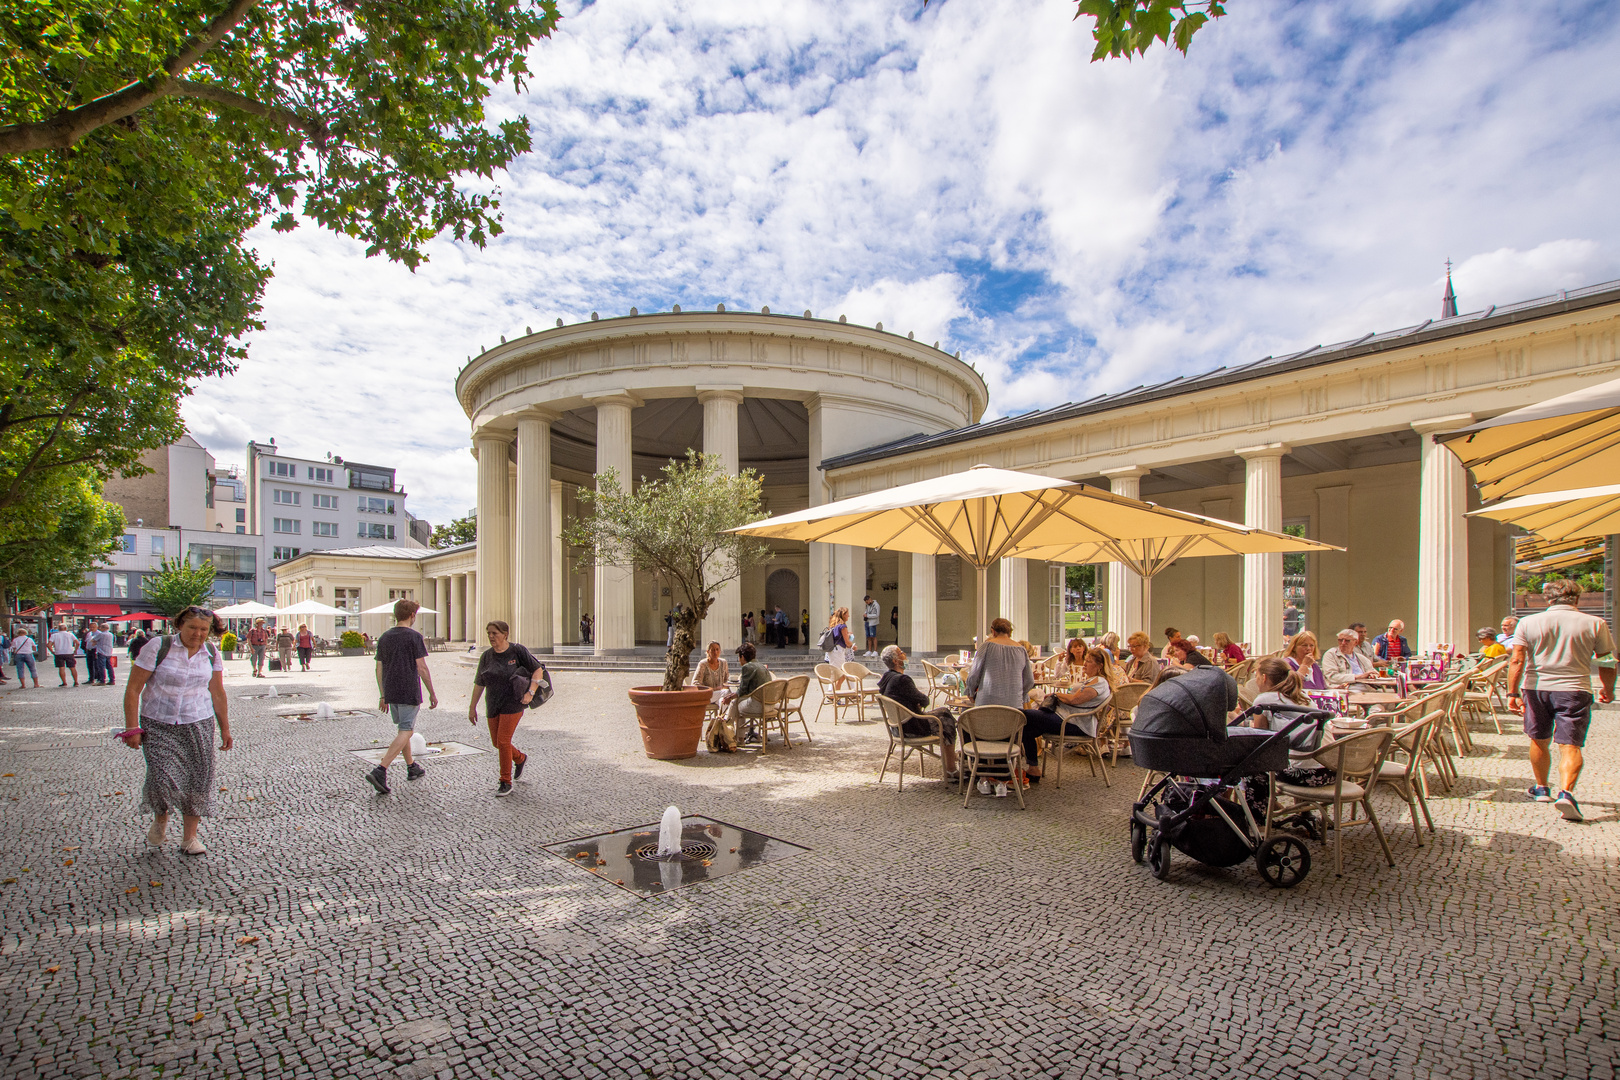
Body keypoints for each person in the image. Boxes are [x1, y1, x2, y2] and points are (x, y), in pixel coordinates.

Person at [122, 606, 232, 856]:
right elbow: (133, 689)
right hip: (158, 721)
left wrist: (225, 728)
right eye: (192, 627)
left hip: (198, 721)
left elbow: (217, 692)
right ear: (180, 625)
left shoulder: (211, 652)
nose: (198, 633)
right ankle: (161, 818)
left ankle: (190, 838)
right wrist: (131, 728)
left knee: (198, 779)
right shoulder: (159, 647)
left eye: (204, 629)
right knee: (162, 777)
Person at [1508, 578, 1616, 821]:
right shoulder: (1595, 623)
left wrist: (1512, 693)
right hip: (1575, 688)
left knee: (1538, 739)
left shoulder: (1528, 622)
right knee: (1570, 745)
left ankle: (1541, 788)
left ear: (1548, 598)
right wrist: (1609, 688)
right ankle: (1565, 792)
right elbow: (1607, 660)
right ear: (1576, 598)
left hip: (1536, 687)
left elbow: (1517, 660)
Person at [365, 599, 441, 795]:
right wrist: (432, 692)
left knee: (403, 728)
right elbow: (421, 667)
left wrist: (383, 694)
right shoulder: (414, 637)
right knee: (406, 730)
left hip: (391, 689)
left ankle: (411, 767)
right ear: (412, 616)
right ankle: (381, 769)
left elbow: (378, 667)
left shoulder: (384, 637)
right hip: (408, 688)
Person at [468, 621, 544, 797]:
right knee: (497, 743)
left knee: (503, 741)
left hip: (513, 702)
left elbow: (537, 670)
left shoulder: (517, 651)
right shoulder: (486, 656)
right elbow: (479, 683)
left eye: (495, 633)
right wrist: (472, 707)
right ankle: (520, 758)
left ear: (505, 634)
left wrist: (531, 693)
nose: (491, 636)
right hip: (493, 703)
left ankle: (505, 781)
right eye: (489, 633)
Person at [1021, 646, 1119, 782]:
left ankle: (1003, 757)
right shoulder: (1092, 680)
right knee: (1026, 727)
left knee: (1023, 715)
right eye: (1086, 660)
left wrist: (1056, 694)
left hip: (1075, 723)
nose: (1084, 664)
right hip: (1066, 718)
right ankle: (1033, 768)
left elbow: (1075, 700)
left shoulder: (1100, 682)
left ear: (1099, 666)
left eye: (1089, 661)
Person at [877, 644, 959, 777]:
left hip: (897, 727)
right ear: (895, 661)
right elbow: (924, 700)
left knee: (944, 713)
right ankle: (951, 768)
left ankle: (953, 758)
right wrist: (920, 701)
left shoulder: (886, 679)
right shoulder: (902, 680)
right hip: (912, 727)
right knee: (946, 718)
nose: (904, 654)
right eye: (901, 653)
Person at [966, 618, 1034, 709]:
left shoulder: (986, 646)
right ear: (1010, 632)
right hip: (1014, 705)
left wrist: (970, 691)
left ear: (993, 631)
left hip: (987, 702)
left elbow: (974, 674)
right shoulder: (1021, 650)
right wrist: (1020, 694)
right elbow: (1029, 680)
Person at [719, 642, 771, 745]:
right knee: (738, 702)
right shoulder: (762, 666)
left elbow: (742, 690)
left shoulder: (747, 667)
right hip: (770, 704)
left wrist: (730, 697)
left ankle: (728, 732)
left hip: (759, 705)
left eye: (739, 657)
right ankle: (737, 736)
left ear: (742, 657)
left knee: (735, 703)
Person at [822, 607, 855, 685]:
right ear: (844, 615)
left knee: (837, 673)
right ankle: (835, 693)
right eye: (847, 614)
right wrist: (853, 645)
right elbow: (847, 642)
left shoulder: (834, 625)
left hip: (833, 651)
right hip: (838, 651)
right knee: (843, 672)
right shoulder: (843, 626)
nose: (848, 616)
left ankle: (835, 693)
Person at [48, 623, 80, 687]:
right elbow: (77, 643)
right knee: (72, 667)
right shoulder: (70, 634)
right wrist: (75, 650)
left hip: (58, 653)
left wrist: (52, 651)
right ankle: (76, 682)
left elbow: (49, 645)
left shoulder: (54, 635)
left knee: (61, 668)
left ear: (58, 628)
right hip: (69, 652)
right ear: (66, 628)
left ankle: (64, 682)